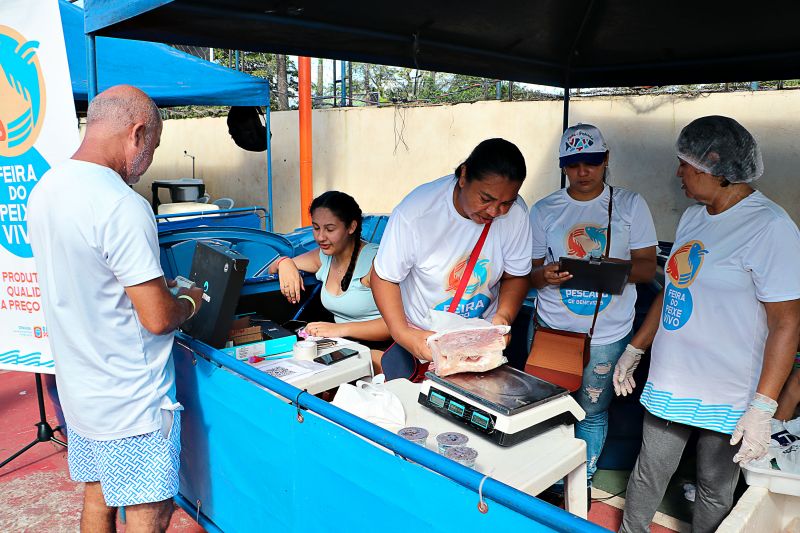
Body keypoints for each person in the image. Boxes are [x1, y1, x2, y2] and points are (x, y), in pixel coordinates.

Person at [28, 85, 204, 533]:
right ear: (137, 134)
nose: (147, 165)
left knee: (100, 493)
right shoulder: (121, 204)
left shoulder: (47, 186)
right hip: (132, 399)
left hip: (81, 388)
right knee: (148, 510)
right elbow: (158, 317)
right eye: (155, 147)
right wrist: (188, 300)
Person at [614, 116, 800, 533]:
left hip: (729, 388)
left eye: (685, 163)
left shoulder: (770, 227)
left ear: (715, 165)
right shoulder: (694, 217)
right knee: (648, 473)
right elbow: (675, 288)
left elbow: (787, 323)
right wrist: (636, 348)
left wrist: (763, 407)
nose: (678, 172)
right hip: (672, 377)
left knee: (715, 487)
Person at [529, 123, 657, 486]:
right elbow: (530, 274)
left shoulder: (630, 204)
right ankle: (545, 480)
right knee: (545, 408)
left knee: (593, 411)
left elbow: (648, 267)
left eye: (592, 161)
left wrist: (605, 272)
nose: (583, 172)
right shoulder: (544, 209)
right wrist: (546, 276)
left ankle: (579, 480)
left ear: (606, 160)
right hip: (552, 330)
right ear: (562, 165)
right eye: (573, 164)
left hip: (606, 335)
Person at [371, 138, 533, 380]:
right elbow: (383, 277)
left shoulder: (516, 214)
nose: (494, 212)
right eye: (486, 199)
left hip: (480, 341)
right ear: (464, 175)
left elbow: (516, 275)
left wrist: (504, 317)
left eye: (505, 203)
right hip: (423, 337)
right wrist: (403, 334)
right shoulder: (417, 212)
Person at [269, 191, 391, 372]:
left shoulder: (376, 262)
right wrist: (285, 263)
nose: (320, 237)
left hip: (381, 351)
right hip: (342, 345)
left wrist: (338, 329)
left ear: (351, 227)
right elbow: (272, 268)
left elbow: (393, 326)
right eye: (316, 228)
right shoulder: (324, 257)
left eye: (330, 229)